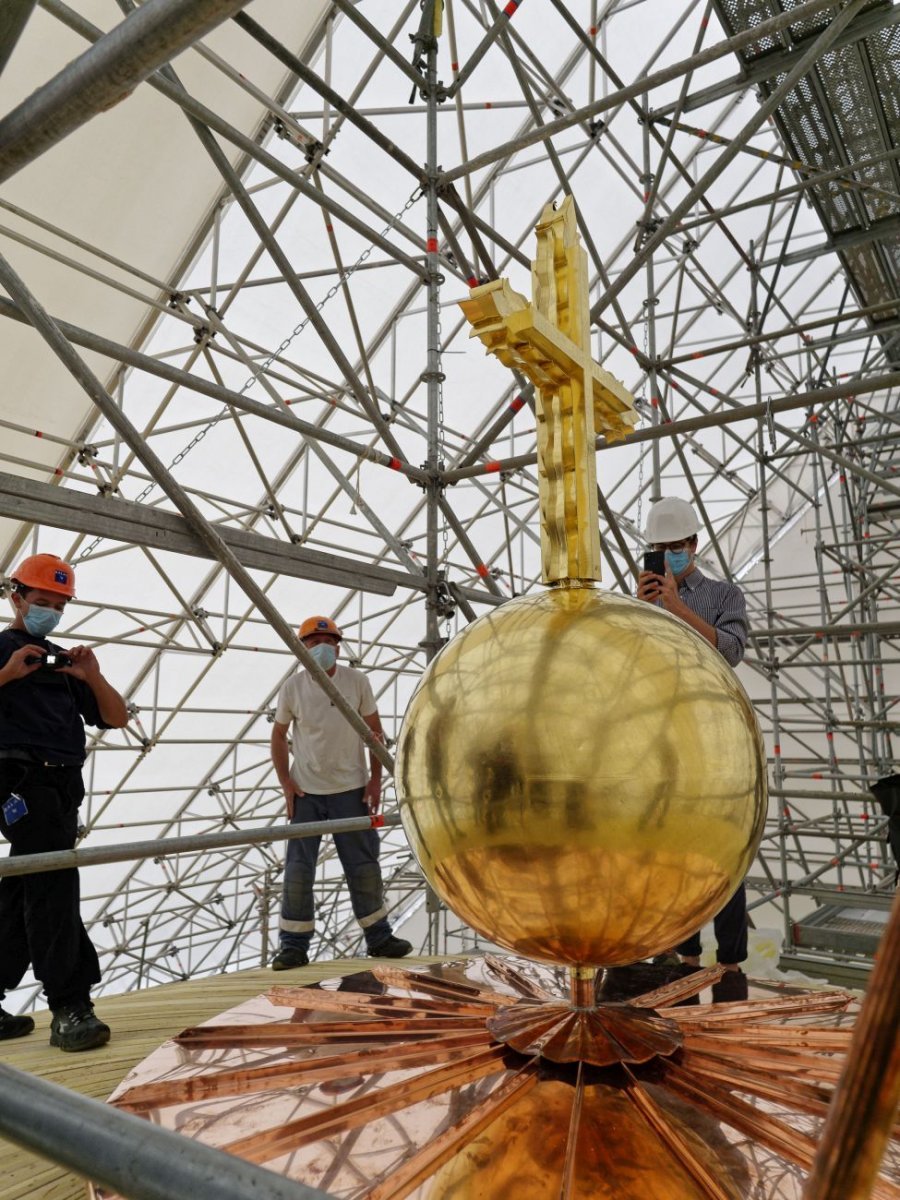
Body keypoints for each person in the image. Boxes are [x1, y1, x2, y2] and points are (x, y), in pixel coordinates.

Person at [0, 554, 128, 1049]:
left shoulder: (61, 663)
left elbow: (115, 718)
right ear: (17, 598)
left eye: (58, 605)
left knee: (23, 882)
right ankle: (70, 1004)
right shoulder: (4, 651)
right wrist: (9, 674)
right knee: (53, 880)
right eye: (41, 602)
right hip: (17, 782)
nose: (49, 612)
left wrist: (90, 676)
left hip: (61, 785)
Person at [637, 498, 751, 1002]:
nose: (668, 557)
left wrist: (678, 609)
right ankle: (685, 956)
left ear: (693, 547)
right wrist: (642, 611)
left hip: (715, 734)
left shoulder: (724, 595)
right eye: (659, 550)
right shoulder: (643, 600)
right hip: (667, 739)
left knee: (722, 852)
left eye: (675, 548)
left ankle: (730, 964)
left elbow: (731, 651)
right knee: (677, 852)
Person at [270, 615, 412, 968]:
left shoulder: (356, 681)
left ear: (339, 645)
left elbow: (374, 734)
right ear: (302, 648)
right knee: (298, 869)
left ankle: (378, 937)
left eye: (328, 641)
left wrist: (376, 780)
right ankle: (294, 945)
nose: (322, 648)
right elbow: (278, 735)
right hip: (307, 792)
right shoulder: (293, 687)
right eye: (313, 643)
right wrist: (287, 783)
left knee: (363, 865)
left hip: (352, 789)